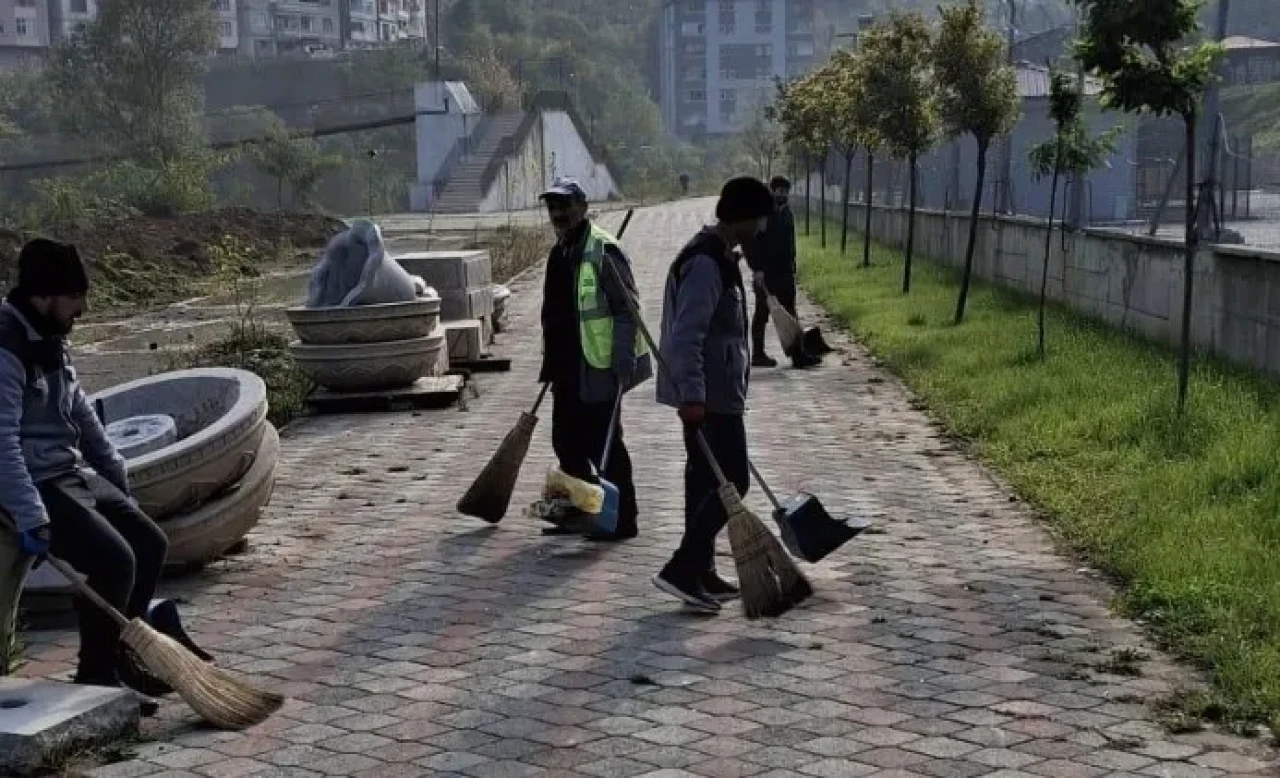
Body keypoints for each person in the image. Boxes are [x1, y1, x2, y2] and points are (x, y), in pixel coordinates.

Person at [0, 238, 171, 700]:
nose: (83, 307)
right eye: (75, 297)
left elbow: (79, 411)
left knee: (149, 542)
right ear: (44, 296)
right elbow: (1, 443)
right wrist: (31, 516)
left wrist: (114, 472)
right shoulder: (7, 348)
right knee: (116, 560)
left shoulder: (51, 337)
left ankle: (119, 649)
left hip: (68, 473)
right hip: (32, 482)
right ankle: (96, 675)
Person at [652, 176, 775, 612]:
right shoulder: (705, 263)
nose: (762, 228)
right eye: (760, 218)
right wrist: (694, 397)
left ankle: (699, 572)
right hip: (709, 398)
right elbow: (687, 337)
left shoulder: (722, 257)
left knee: (703, 482)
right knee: (733, 481)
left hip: (717, 393)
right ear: (743, 216)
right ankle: (682, 568)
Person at [537, 178, 652, 541]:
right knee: (565, 443)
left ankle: (623, 520)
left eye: (565, 206)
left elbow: (627, 311)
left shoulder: (604, 250)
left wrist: (622, 362)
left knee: (606, 446)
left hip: (599, 367)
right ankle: (582, 512)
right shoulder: (561, 252)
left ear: (583, 207)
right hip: (566, 367)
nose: (559, 214)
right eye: (553, 208)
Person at [743, 175, 818, 369]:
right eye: (779, 191)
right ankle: (758, 355)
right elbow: (752, 244)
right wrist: (757, 269)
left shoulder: (788, 214)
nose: (783, 195)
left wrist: (793, 265)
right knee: (762, 314)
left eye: (786, 191)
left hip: (785, 272)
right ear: (772, 191)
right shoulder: (763, 214)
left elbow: (790, 243)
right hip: (766, 273)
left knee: (791, 312)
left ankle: (798, 354)